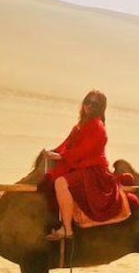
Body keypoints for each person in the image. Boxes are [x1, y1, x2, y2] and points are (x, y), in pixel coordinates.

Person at [40, 89, 122, 241]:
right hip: (81, 164)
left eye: (94, 104)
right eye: (87, 102)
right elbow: (67, 144)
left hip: (93, 169)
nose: (89, 106)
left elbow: (84, 150)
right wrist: (54, 152)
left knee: (61, 183)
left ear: (100, 108)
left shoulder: (97, 127)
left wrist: (62, 156)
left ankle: (67, 229)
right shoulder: (80, 125)